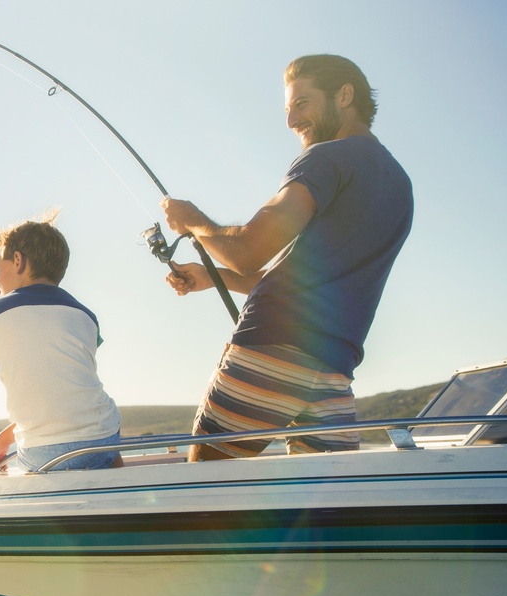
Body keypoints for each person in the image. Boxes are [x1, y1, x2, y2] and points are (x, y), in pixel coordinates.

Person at [161, 54, 413, 461]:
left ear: (344, 95)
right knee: (323, 509)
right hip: (333, 371)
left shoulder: (326, 159)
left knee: (207, 493)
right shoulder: (400, 184)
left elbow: (247, 251)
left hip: (272, 348)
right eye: (288, 108)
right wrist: (212, 277)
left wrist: (192, 221)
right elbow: (314, 279)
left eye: (302, 104)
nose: (291, 121)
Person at [0, 209, 122, 476]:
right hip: (104, 441)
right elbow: (67, 393)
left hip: (42, 453)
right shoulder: (86, 316)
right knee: (103, 434)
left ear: (18, 261)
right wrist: (5, 437)